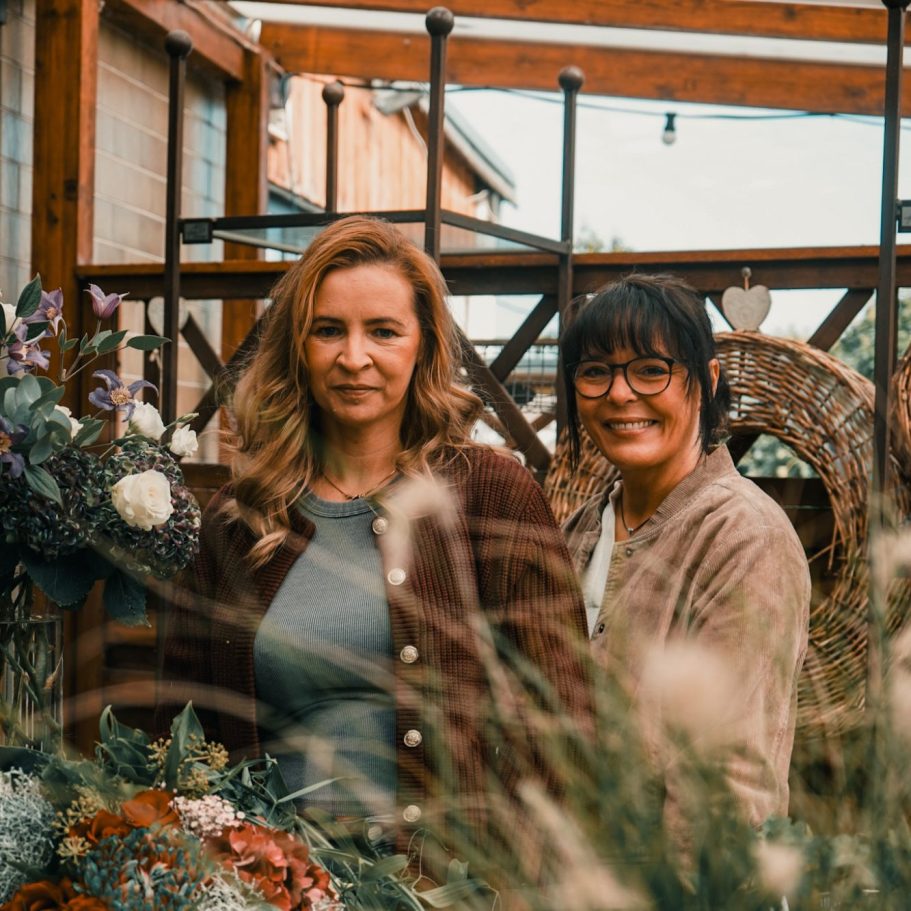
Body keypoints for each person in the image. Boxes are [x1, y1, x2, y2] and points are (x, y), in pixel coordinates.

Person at [157, 215, 590, 873]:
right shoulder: (236, 521)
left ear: (422, 345)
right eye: (328, 329)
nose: (352, 357)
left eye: (382, 331)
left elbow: (561, 716)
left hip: (443, 886)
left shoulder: (490, 494)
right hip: (266, 887)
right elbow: (179, 728)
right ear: (297, 347)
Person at [560, 273, 810, 837]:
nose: (620, 394)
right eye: (595, 371)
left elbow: (724, 788)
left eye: (651, 368)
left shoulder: (744, 536)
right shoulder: (577, 531)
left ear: (707, 378)